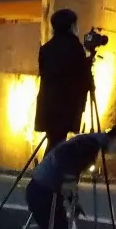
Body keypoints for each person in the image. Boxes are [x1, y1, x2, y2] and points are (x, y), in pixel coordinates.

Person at [25, 124, 116, 229]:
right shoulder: (89, 144)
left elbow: (71, 166)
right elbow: (64, 157)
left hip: (44, 191)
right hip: (42, 192)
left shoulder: (90, 142)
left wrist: (72, 199)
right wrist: (69, 183)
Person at [34, 8, 94, 153]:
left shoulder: (46, 48)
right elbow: (79, 77)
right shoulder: (75, 47)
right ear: (71, 25)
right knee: (56, 146)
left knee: (54, 142)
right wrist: (87, 65)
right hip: (65, 107)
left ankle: (48, 167)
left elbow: (47, 73)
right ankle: (48, 168)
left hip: (47, 105)